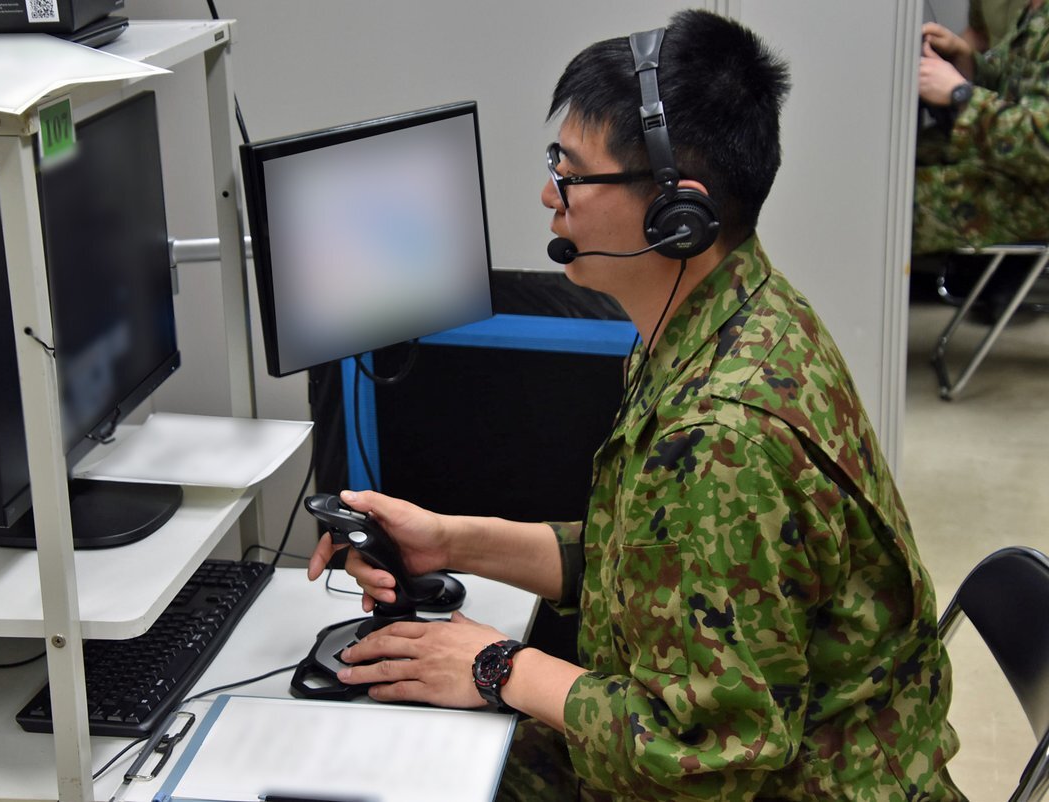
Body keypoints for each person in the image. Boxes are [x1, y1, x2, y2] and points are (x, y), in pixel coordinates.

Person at [308, 9, 964, 800]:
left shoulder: (723, 435)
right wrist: (448, 542)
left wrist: (493, 666)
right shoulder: (726, 312)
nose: (548, 194)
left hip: (768, 784)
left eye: (572, 174)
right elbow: (649, 565)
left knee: (403, 767)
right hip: (754, 759)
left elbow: (709, 758)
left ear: (676, 216)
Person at [914, 0, 1049, 254]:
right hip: (1006, 168)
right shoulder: (1036, 9)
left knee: (885, 203)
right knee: (886, 167)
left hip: (1030, 196)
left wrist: (961, 94)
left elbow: (1043, 147)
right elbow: (1012, 85)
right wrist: (966, 61)